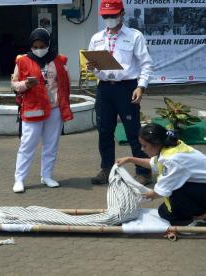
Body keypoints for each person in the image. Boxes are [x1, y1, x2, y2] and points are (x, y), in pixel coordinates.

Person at [116, 123, 206, 227]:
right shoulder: (168, 147)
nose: (142, 149)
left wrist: (135, 196)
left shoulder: (172, 159)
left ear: (156, 144)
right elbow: (153, 164)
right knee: (166, 209)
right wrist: (130, 159)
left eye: (145, 145)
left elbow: (161, 190)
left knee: (170, 206)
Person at [88, 0, 153, 185]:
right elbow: (94, 66)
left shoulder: (134, 36)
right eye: (106, 16)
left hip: (127, 87)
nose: (109, 19)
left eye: (113, 15)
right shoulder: (97, 38)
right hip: (104, 88)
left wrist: (141, 86)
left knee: (133, 132)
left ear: (122, 13)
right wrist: (92, 67)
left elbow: (146, 64)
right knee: (104, 131)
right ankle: (106, 169)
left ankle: (144, 172)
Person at [11, 28, 73, 193]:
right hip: (33, 109)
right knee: (27, 145)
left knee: (51, 145)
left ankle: (47, 176)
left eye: (42, 45)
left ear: (48, 44)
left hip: (54, 109)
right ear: (31, 45)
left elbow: (65, 84)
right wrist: (25, 85)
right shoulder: (22, 61)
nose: (39, 49)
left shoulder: (59, 60)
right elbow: (14, 84)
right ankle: (19, 179)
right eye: (35, 46)